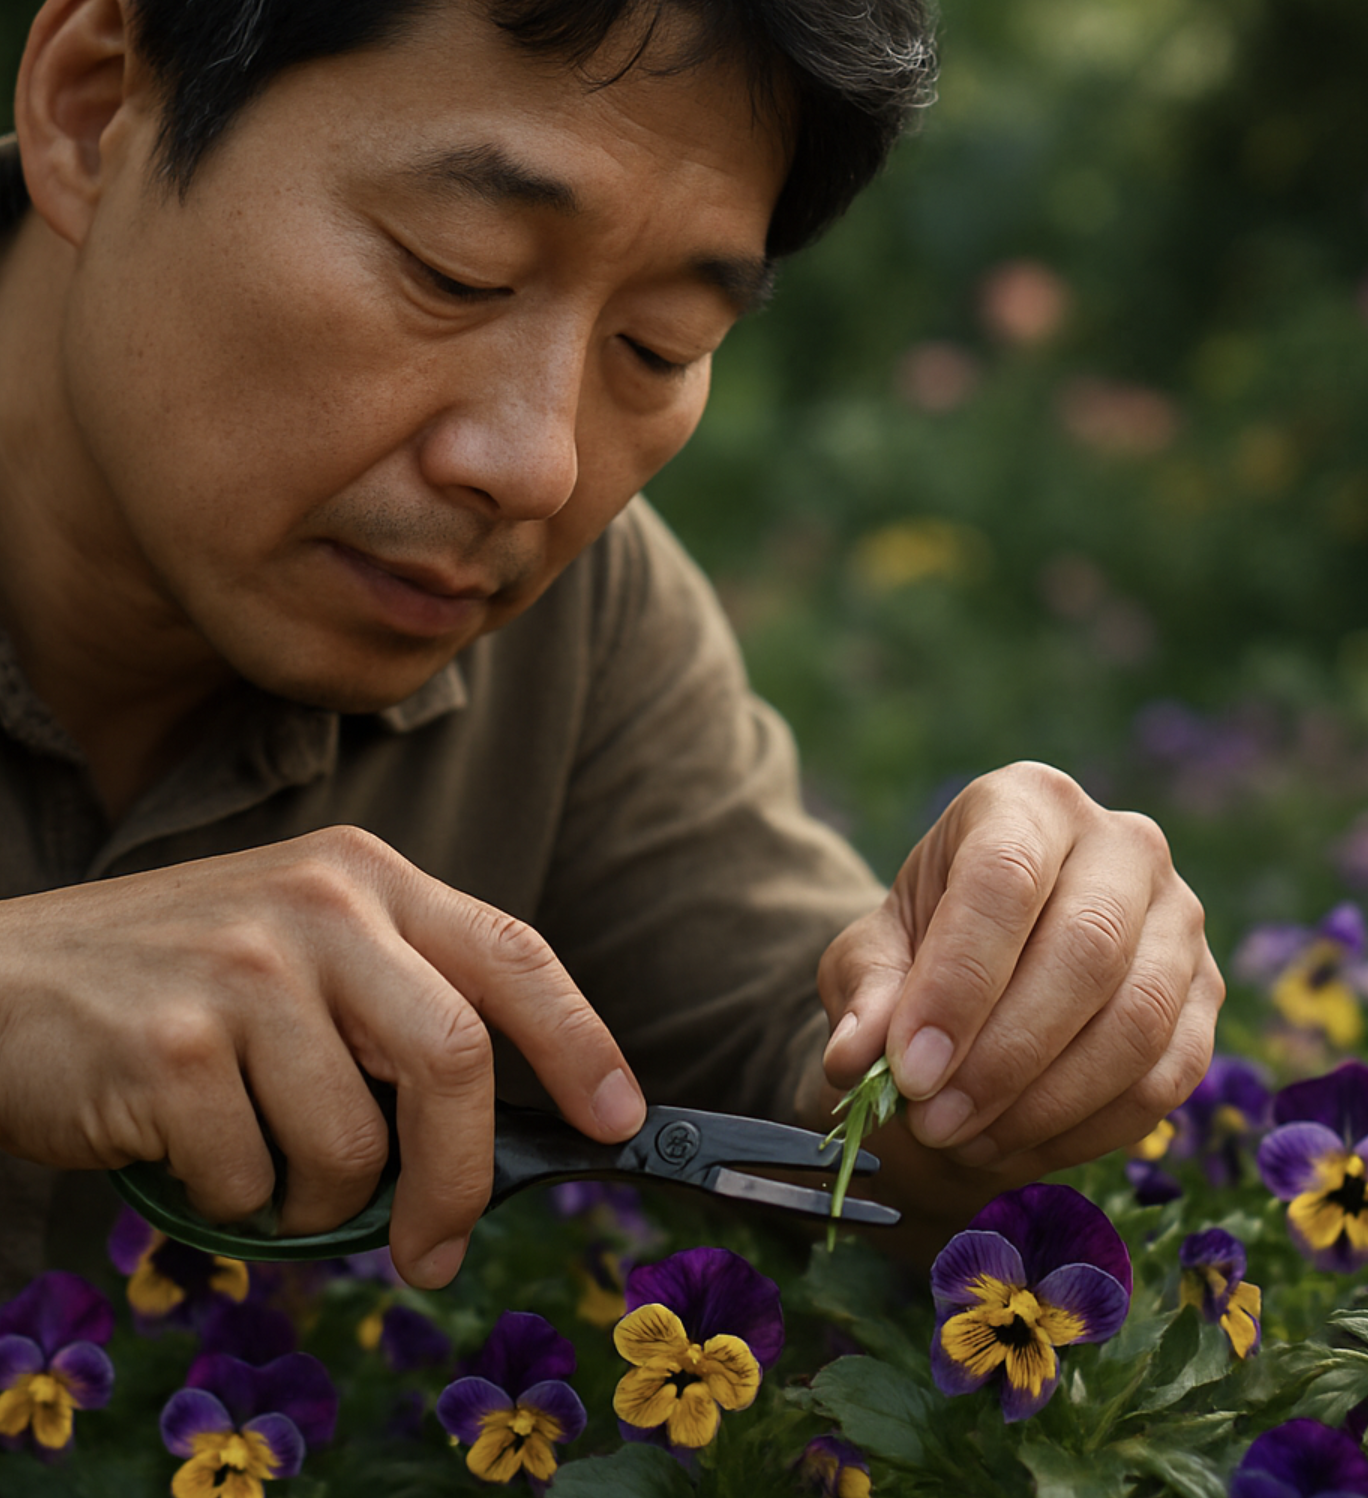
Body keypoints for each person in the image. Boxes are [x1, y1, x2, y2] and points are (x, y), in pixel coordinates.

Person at [0, 0, 1222, 1298]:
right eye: (454, 270)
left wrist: (1006, 1014)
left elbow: (798, 1083)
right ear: (93, 111)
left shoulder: (582, 630)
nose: (537, 466)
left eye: (659, 347)